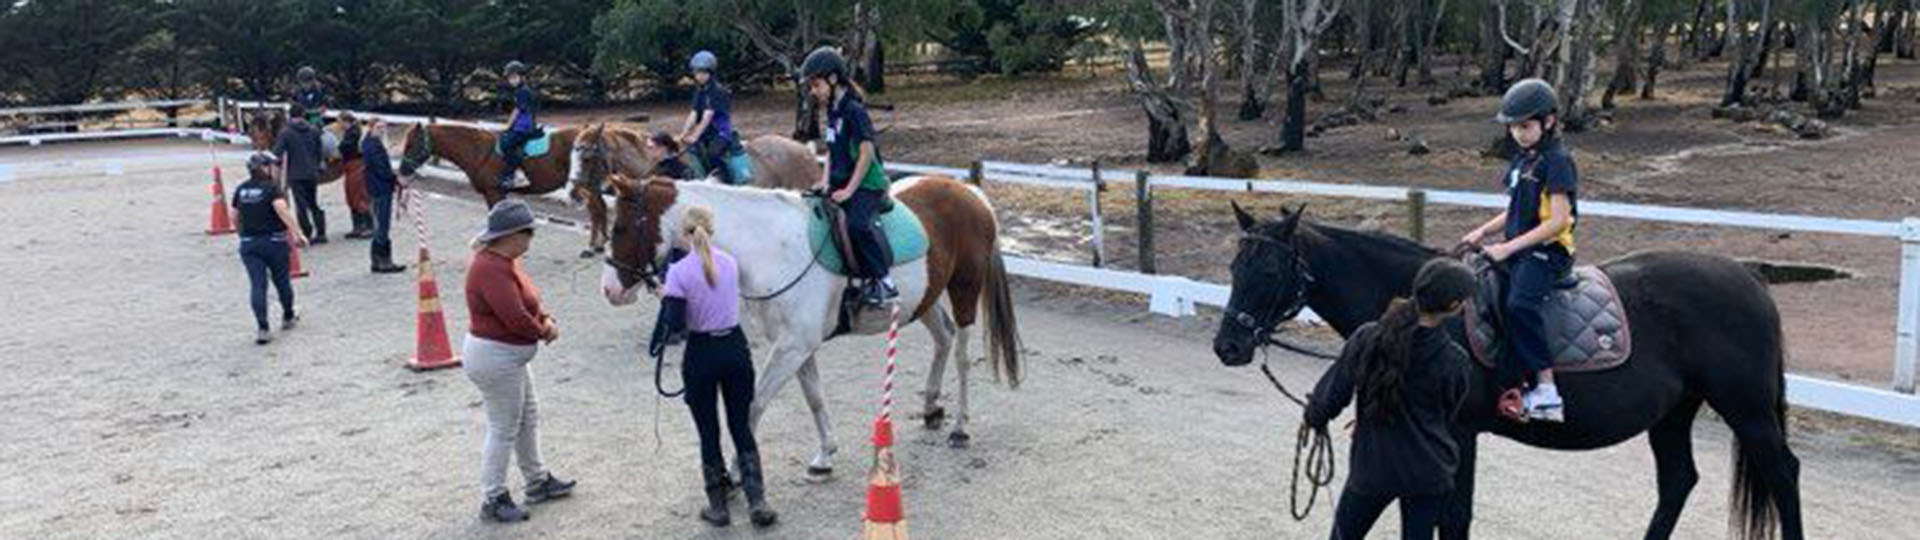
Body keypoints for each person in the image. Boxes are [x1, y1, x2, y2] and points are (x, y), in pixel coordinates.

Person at [1304, 259, 1476, 540]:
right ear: (1454, 306)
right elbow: (1447, 412)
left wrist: (1316, 415)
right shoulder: (1455, 359)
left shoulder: (1366, 337)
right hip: (1429, 472)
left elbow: (1332, 396)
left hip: (1373, 466)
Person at [1458, 78, 1579, 423]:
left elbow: (1558, 221)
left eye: (1525, 126)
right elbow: (1514, 210)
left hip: (1548, 250)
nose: (1518, 134)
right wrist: (1483, 232)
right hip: (1520, 248)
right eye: (1513, 127)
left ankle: (1546, 389)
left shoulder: (1557, 161)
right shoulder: (1524, 160)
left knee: (1520, 304)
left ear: (1549, 121)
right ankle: (1508, 379)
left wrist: (1507, 247)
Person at [649, 206, 778, 528]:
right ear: (712, 230)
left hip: (702, 352)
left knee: (709, 432)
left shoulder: (678, 272)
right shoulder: (730, 264)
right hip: (735, 348)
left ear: (685, 234)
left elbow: (675, 325)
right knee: (741, 427)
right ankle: (757, 500)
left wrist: (665, 297)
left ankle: (718, 505)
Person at [462, 199, 574, 522]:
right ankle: (493, 497)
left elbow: (529, 300)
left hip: (506, 355)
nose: (531, 240)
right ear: (512, 235)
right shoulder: (490, 267)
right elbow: (515, 317)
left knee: (527, 417)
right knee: (503, 428)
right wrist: (544, 331)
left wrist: (546, 317)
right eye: (529, 233)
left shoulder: (505, 260)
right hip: (496, 356)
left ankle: (537, 480)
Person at [801, 46, 895, 306]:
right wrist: (825, 181)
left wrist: (851, 190)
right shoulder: (832, 110)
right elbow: (832, 150)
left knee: (856, 225)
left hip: (867, 184)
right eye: (811, 86)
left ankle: (885, 281)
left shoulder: (854, 110)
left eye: (816, 84)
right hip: (842, 181)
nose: (813, 91)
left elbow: (866, 152)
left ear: (832, 79)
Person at [232, 153, 309, 345]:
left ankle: (263, 327)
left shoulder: (241, 190)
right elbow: (282, 210)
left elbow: (234, 215)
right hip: (274, 242)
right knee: (282, 281)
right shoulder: (272, 189)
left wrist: (241, 234)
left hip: (249, 243)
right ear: (265, 168)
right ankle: (288, 316)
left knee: (258, 285)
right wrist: (298, 233)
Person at [678, 51, 741, 184]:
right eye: (696, 73)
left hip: (720, 133)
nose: (699, 76)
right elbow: (694, 114)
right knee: (692, 152)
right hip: (706, 133)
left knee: (713, 154)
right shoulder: (699, 91)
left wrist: (694, 135)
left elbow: (708, 116)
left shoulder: (717, 91)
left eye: (703, 72)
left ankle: (727, 181)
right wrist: (683, 133)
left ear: (710, 73)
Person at [273, 103, 328, 244]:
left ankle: (306, 233)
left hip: (296, 174)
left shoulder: (285, 133)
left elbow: (277, 154)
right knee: (313, 202)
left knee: (300, 205)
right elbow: (319, 151)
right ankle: (321, 232)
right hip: (312, 172)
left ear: (290, 116)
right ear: (303, 115)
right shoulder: (314, 130)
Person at [359, 116, 408, 274]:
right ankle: (384, 261)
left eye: (383, 128)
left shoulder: (369, 143)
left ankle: (376, 261)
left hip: (375, 187)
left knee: (380, 223)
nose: (381, 131)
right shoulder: (373, 146)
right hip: (380, 188)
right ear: (371, 128)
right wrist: (396, 178)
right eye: (379, 128)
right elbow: (381, 169)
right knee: (382, 224)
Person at [497, 61, 540, 193]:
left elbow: (517, 111)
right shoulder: (520, 91)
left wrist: (508, 126)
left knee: (506, 145)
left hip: (524, 127)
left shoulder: (522, 92)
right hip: (521, 125)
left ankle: (516, 175)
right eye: (510, 78)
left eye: (514, 77)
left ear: (522, 77)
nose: (512, 80)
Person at [338, 112, 374, 239]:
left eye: (340, 122)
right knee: (352, 196)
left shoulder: (354, 133)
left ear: (345, 121)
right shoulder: (352, 132)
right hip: (350, 166)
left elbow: (345, 147)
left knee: (359, 196)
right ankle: (358, 226)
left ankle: (369, 226)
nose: (339, 125)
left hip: (356, 165)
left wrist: (339, 146)